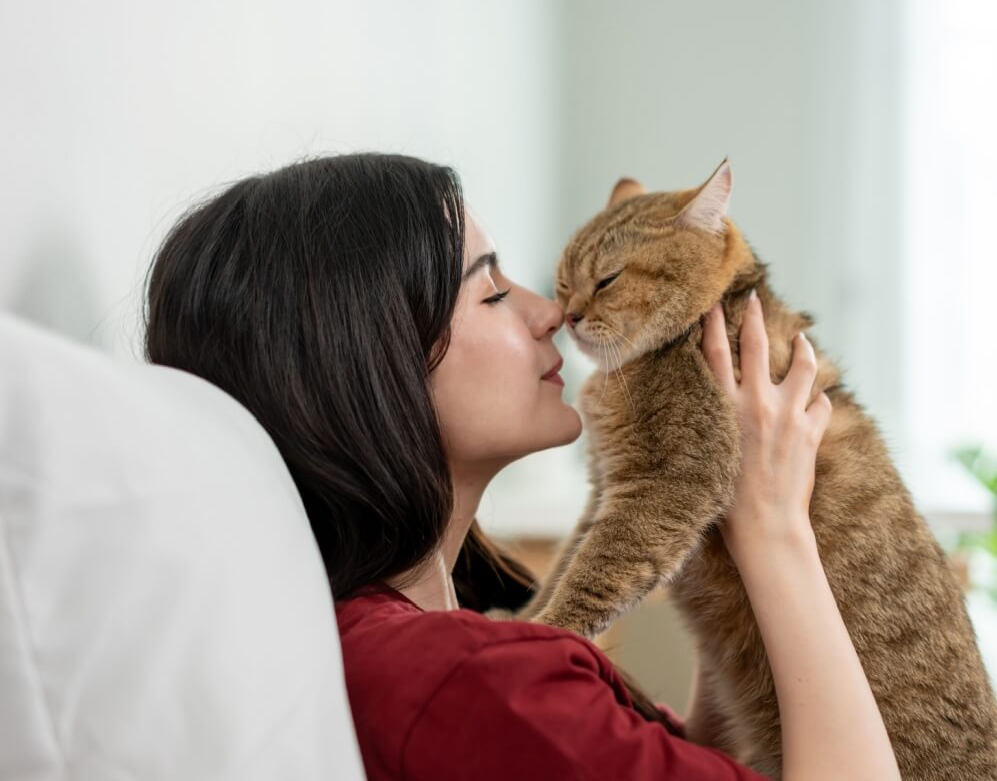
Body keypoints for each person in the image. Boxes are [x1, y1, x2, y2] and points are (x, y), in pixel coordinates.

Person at [143, 153, 901, 780]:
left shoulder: (421, 637)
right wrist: (776, 530)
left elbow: (681, 761)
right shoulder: (469, 683)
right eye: (493, 290)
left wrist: (721, 526)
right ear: (369, 365)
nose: (548, 313)